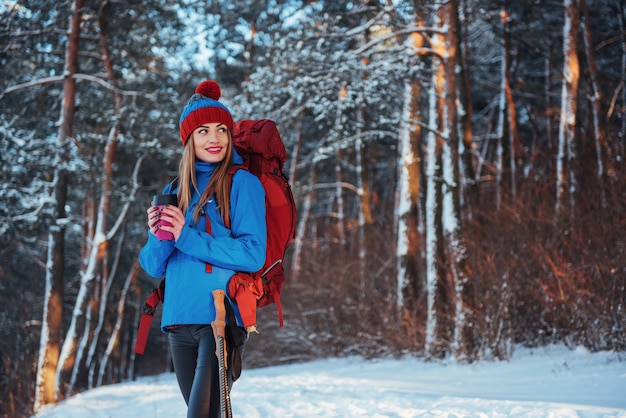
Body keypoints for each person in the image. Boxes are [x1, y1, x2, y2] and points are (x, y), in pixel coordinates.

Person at [139, 79, 267, 418]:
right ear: (189, 140)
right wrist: (160, 235)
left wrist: (186, 236)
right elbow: (153, 265)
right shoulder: (175, 189)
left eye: (222, 129)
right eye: (203, 131)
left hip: (220, 317)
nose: (214, 139)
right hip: (179, 320)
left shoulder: (242, 183)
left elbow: (253, 253)